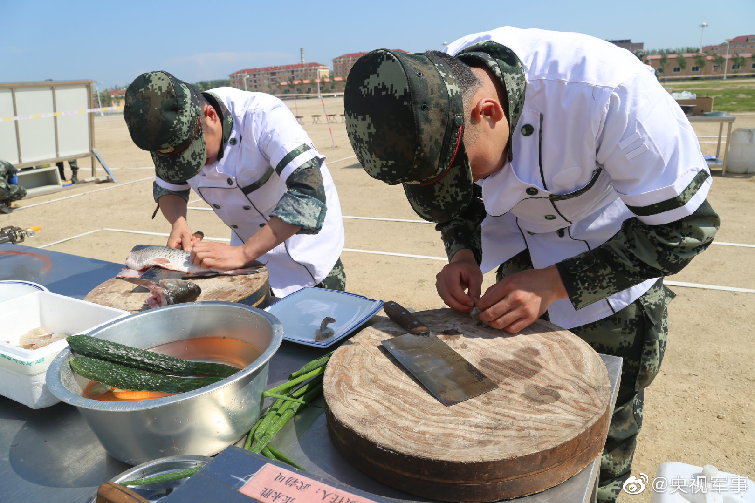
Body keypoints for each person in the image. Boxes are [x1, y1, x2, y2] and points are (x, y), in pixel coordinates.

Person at [343, 27, 719, 502]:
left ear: (490, 112)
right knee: (513, 409)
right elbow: (456, 200)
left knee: (599, 421)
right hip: (522, 248)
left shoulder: (609, 94)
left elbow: (685, 230)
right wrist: (464, 251)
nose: (470, 181)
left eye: (468, 170)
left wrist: (558, 282)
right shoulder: (429, 91)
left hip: (613, 253)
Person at [123, 71, 345, 297]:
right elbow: (168, 185)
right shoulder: (167, 134)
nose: (197, 168)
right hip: (246, 257)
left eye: (198, 155)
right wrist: (178, 222)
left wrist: (244, 252)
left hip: (306, 248)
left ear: (210, 115)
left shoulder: (262, 116)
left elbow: (308, 193)